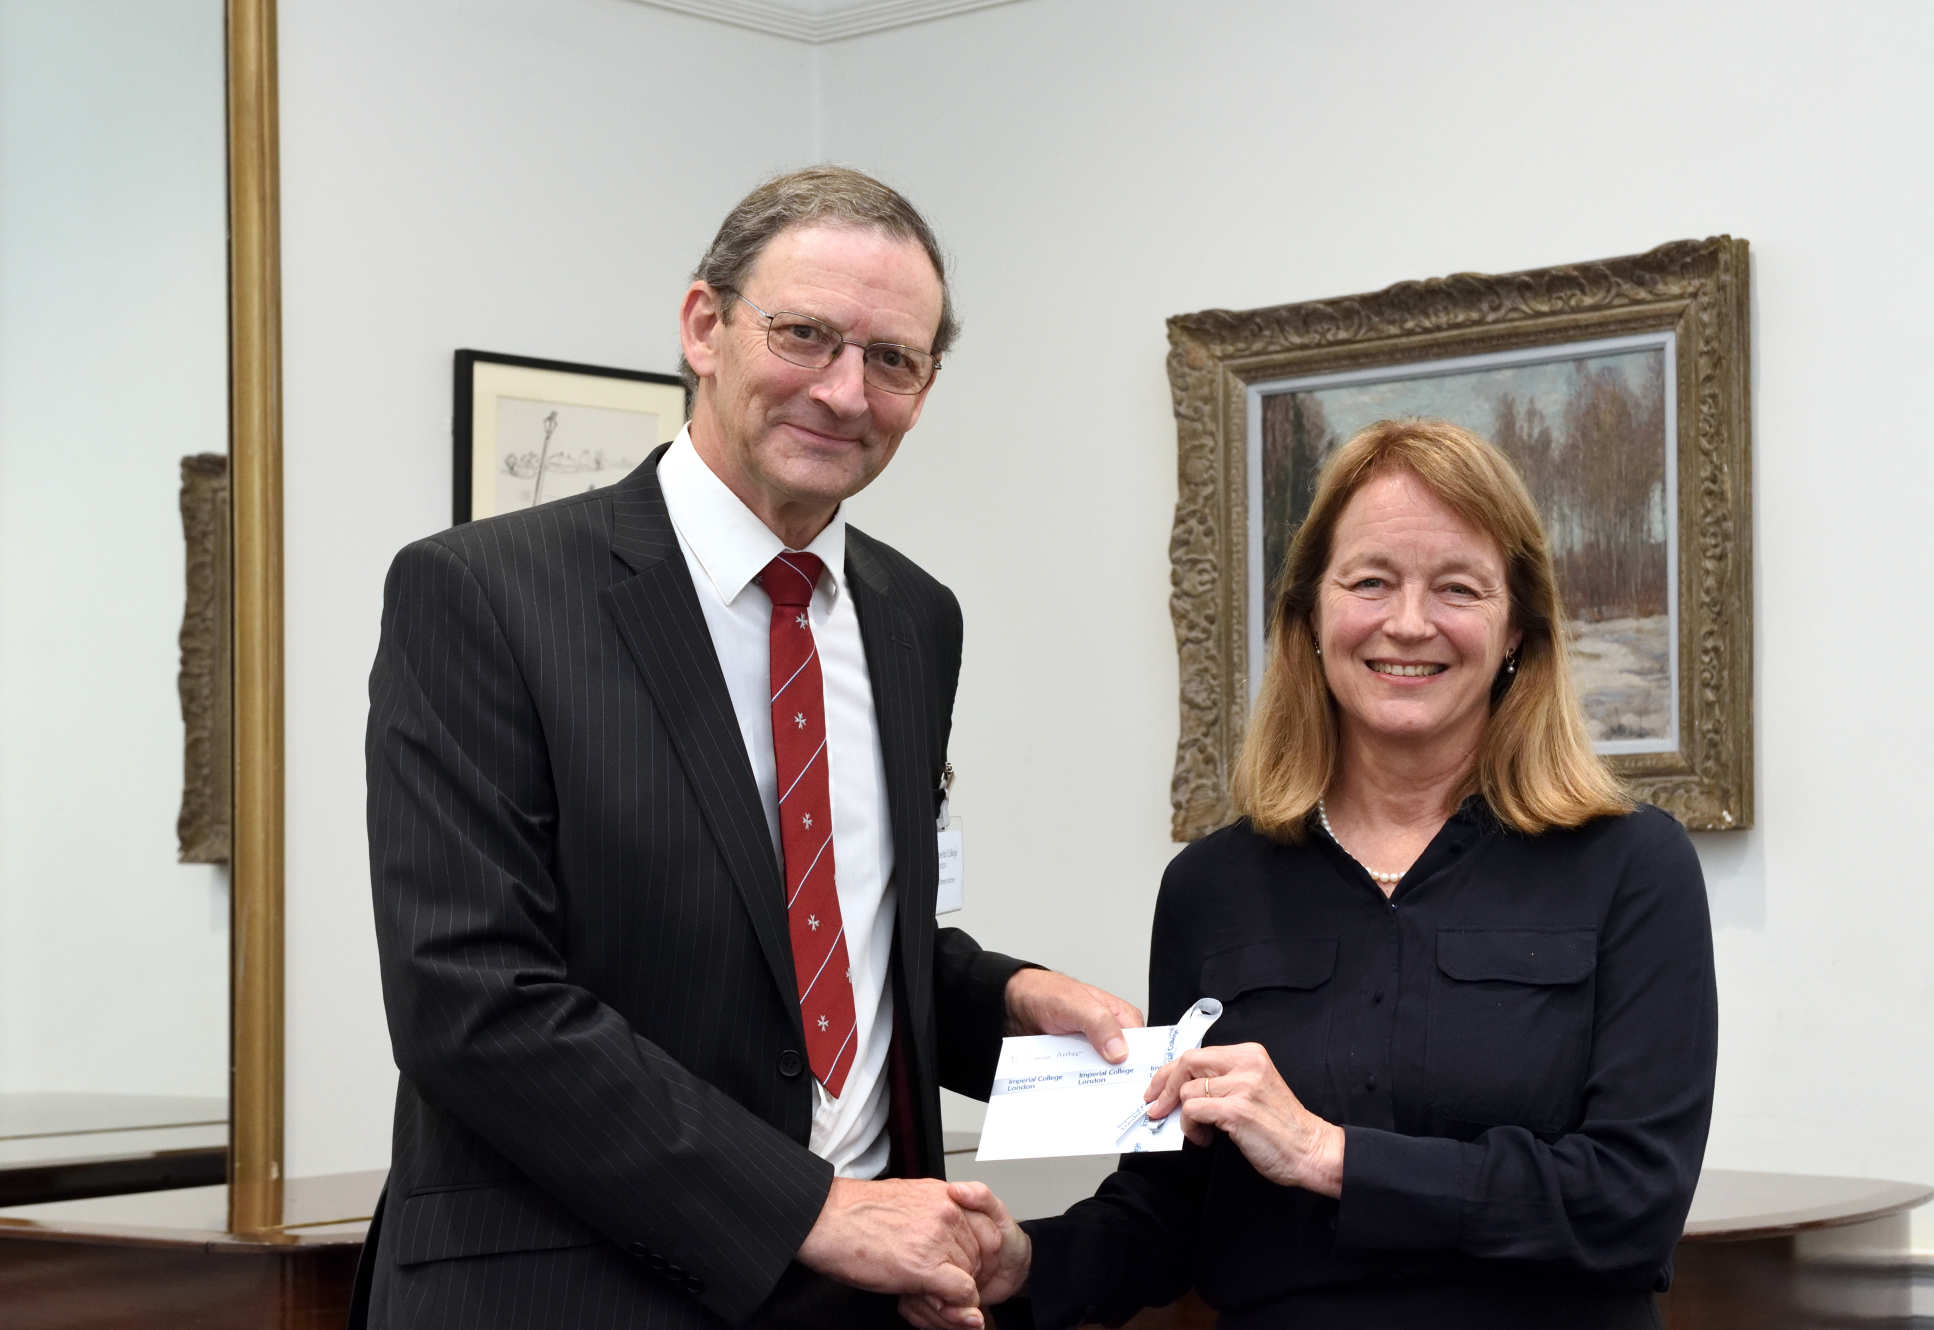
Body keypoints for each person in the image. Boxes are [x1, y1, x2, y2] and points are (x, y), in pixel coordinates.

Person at [352, 166, 1142, 1330]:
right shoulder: (483, 592)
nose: (842, 390)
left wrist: (1005, 997)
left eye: (892, 360)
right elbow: (470, 1000)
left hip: (868, 1295)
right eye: (805, 335)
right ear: (703, 326)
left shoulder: (914, 617)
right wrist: (806, 1210)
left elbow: (820, 936)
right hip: (572, 1288)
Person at [961, 418, 1718, 1330]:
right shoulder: (1210, 885)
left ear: (1517, 627)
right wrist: (1027, 1263)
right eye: (1369, 581)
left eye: (1457, 588)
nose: (1408, 623)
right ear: (1310, 618)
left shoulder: (1632, 865)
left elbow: (1633, 1207)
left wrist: (1331, 1154)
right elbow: (1173, 1210)